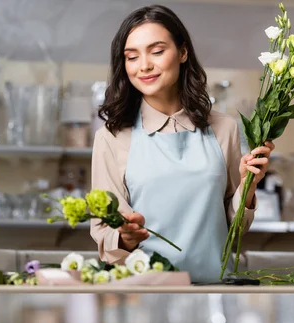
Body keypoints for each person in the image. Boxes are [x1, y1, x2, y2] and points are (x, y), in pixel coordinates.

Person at [91, 5, 274, 283]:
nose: (144, 66)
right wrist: (125, 238)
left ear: (183, 52)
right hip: (145, 292)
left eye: (157, 51)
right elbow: (105, 238)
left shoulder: (224, 128)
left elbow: (233, 232)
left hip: (216, 290)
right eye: (132, 56)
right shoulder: (112, 137)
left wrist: (248, 186)